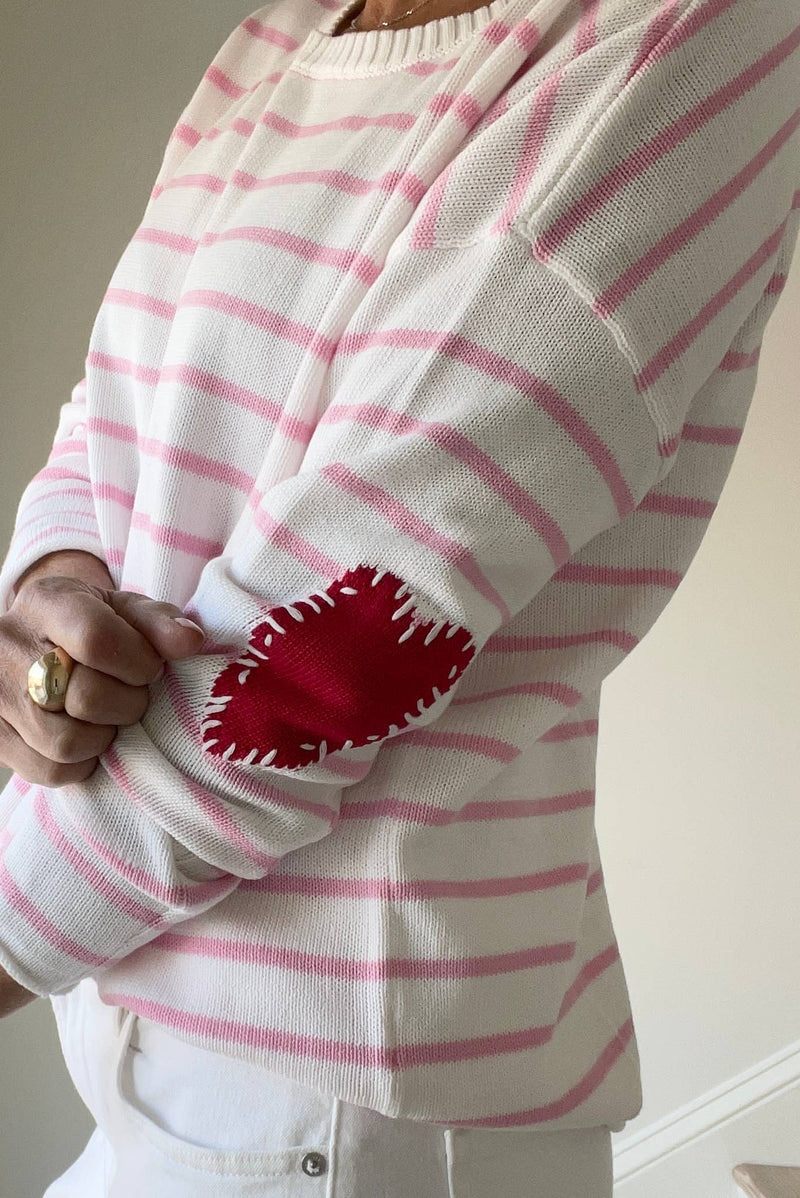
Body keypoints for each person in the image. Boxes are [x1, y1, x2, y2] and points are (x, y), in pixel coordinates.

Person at [0, 0, 797, 1193]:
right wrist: (53, 600)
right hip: (137, 1033)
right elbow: (112, 410)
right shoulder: (279, 39)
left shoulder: (684, 35)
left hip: (340, 1107)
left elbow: (313, 662)